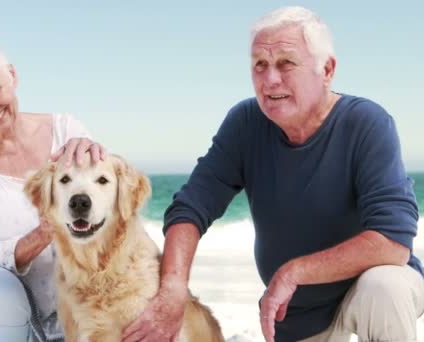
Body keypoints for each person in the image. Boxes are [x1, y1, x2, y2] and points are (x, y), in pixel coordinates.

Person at [122, 6, 423, 342]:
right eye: (259, 66)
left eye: (286, 63)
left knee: (385, 286)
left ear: (327, 69)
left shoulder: (367, 122)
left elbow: (393, 242)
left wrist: (293, 272)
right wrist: (173, 289)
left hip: (367, 290)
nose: (270, 80)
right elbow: (190, 207)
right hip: (297, 313)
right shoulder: (245, 123)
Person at [0, 42, 105, 342]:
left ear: (12, 76)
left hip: (68, 300)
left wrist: (97, 163)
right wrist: (42, 234)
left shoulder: (68, 131)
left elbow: (103, 212)